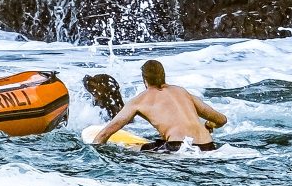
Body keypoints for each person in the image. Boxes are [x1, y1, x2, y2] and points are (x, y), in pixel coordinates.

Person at [92, 60, 227, 152]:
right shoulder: (183, 92)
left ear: (144, 80)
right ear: (164, 76)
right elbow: (222, 120)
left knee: (130, 151)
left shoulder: (138, 101)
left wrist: (91, 154)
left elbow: (105, 133)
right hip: (209, 146)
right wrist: (209, 125)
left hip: (178, 148)